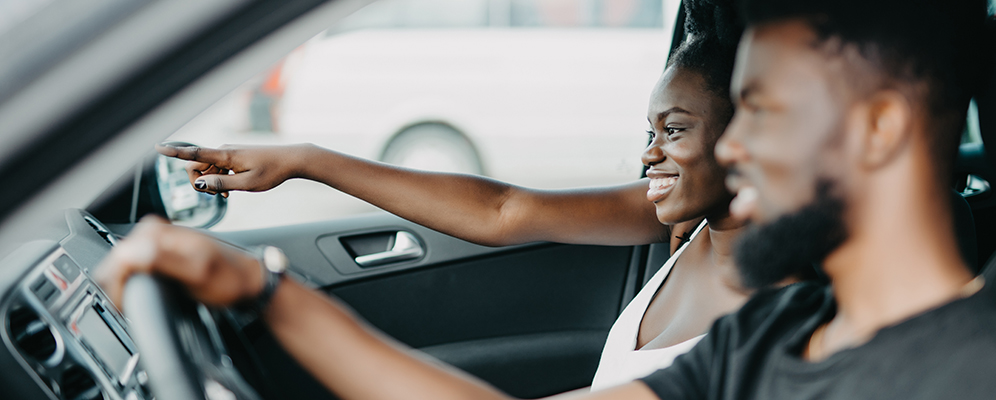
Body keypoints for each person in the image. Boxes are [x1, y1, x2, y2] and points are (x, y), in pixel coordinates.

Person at [97, 0, 996, 398]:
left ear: (877, 130)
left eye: (760, 112)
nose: (729, 148)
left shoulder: (977, 372)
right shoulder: (771, 337)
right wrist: (262, 293)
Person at [151, 1, 791, 390]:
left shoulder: (778, 326)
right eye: (648, 131)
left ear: (748, 138)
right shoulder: (682, 223)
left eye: (674, 131)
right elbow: (503, 210)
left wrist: (268, 293)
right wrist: (305, 161)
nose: (649, 153)